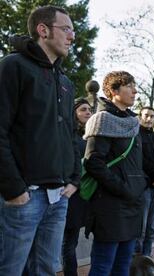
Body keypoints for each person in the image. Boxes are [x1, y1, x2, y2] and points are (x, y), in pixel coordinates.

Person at [0, 6, 79, 275]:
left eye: (73, 30)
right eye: (66, 29)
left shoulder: (66, 82)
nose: (72, 36)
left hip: (59, 197)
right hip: (23, 196)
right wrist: (13, 189)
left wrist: (73, 179)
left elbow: (69, 135)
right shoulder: (12, 66)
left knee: (45, 269)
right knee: (9, 269)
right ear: (43, 30)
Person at [83, 71, 147, 275]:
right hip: (110, 204)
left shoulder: (133, 122)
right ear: (113, 91)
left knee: (122, 266)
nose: (135, 91)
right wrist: (123, 188)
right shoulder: (102, 119)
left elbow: (136, 164)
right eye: (129, 86)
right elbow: (93, 162)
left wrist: (139, 185)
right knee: (103, 266)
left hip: (132, 203)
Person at [62, 98, 92, 275]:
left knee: (71, 240)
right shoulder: (69, 135)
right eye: (83, 109)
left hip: (82, 196)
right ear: (73, 112)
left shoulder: (88, 137)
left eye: (89, 109)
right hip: (69, 193)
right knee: (68, 242)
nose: (88, 112)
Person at [135, 106, 154, 256]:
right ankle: (136, 262)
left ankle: (146, 259)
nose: (149, 119)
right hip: (145, 186)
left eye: (152, 116)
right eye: (146, 115)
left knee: (151, 228)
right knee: (141, 227)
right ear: (140, 117)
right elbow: (141, 161)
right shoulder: (136, 136)